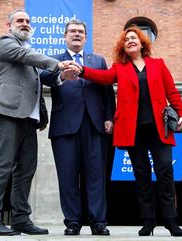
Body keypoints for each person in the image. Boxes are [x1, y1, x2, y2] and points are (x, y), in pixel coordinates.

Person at [77, 26, 182, 237]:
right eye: (126, 39)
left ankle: (170, 220)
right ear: (123, 47)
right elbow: (104, 77)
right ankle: (148, 221)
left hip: (159, 128)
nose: (130, 41)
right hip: (133, 129)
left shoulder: (158, 64)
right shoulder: (119, 68)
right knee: (141, 174)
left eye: (133, 38)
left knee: (165, 171)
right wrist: (83, 70)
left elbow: (171, 91)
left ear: (142, 42)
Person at [0, 9, 79, 236]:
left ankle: (20, 219)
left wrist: (59, 79)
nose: (25, 24)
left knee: (26, 170)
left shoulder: (29, 52)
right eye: (20, 21)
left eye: (27, 21)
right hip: (6, 113)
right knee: (2, 166)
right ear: (9, 25)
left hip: (28, 119)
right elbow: (29, 59)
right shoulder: (5, 43)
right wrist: (58, 64)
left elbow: (37, 82)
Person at [40, 19, 115, 236]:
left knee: (96, 176)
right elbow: (44, 77)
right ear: (65, 36)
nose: (76, 34)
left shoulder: (98, 60)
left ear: (86, 36)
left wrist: (109, 117)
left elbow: (107, 91)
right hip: (65, 127)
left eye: (81, 32)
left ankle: (98, 222)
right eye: (72, 31)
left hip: (95, 125)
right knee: (68, 176)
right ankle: (72, 222)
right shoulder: (55, 60)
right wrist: (61, 75)